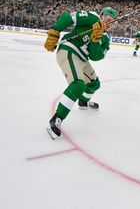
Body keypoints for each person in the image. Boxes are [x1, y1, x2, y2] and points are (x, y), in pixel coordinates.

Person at [45, 7, 118, 139]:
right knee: (78, 85)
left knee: (94, 84)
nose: (109, 23)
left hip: (82, 58)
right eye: (107, 19)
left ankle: (83, 101)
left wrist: (95, 41)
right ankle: (57, 118)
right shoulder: (92, 18)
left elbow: (96, 57)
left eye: (112, 22)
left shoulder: (106, 38)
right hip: (69, 49)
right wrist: (55, 31)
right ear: (102, 16)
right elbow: (68, 16)